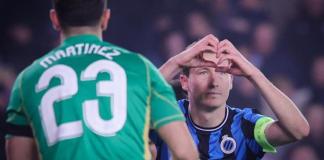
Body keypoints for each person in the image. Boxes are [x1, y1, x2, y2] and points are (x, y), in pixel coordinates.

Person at [5, 0, 199, 159]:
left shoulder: (27, 80)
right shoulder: (140, 68)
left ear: (55, 19)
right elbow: (185, 154)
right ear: (105, 18)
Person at [150, 34, 310, 159]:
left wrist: (253, 73)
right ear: (185, 82)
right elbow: (130, 101)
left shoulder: (245, 125)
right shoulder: (166, 116)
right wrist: (176, 62)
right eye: (203, 72)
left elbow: (298, 130)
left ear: (231, 81)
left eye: (221, 72)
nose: (214, 82)